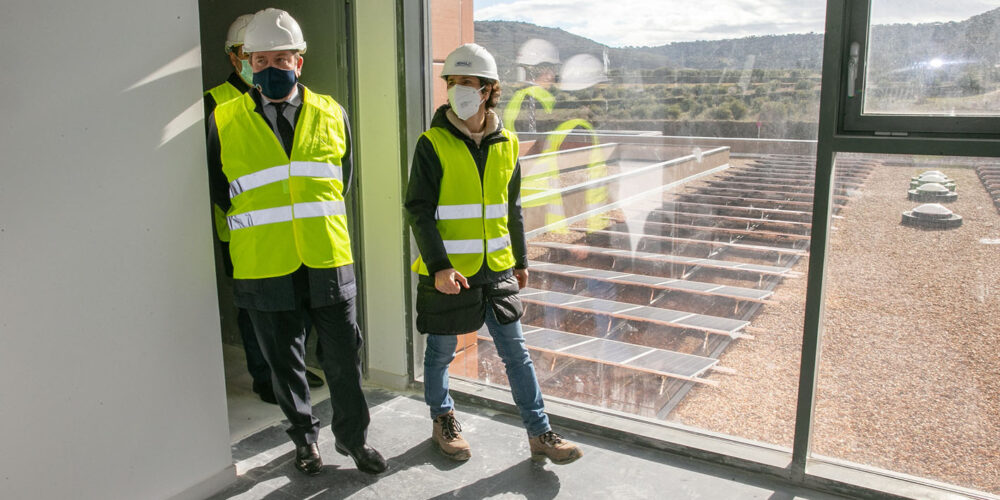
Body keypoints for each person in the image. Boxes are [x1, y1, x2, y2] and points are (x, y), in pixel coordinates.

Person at [206, 8, 385, 476]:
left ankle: (353, 440)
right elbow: (218, 192)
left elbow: (340, 182)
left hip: (326, 257)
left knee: (344, 359)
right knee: (285, 365)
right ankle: (305, 441)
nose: (271, 69)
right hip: (264, 263)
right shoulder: (222, 120)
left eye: (281, 59)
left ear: (299, 63)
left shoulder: (332, 112)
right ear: (245, 63)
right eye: (260, 59)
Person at [405, 43, 583, 465]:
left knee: (515, 352)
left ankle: (540, 433)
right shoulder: (432, 144)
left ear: (487, 90)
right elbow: (419, 210)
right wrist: (439, 267)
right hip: (451, 272)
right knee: (441, 352)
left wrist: (520, 260)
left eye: (467, 83)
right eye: (452, 83)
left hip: (497, 268)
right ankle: (442, 419)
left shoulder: (507, 143)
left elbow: (511, 208)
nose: (458, 90)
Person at [204, 14, 325, 405]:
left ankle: (291, 371)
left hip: (299, 233)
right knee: (255, 308)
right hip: (245, 231)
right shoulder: (217, 104)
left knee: (300, 303)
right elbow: (214, 178)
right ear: (235, 57)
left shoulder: (302, 102)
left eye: (277, 57)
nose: (258, 62)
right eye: (247, 54)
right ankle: (264, 375)